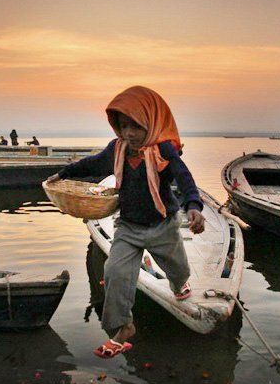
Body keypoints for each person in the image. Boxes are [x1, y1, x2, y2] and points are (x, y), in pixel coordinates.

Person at [46, 86, 205, 359]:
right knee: (115, 272)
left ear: (151, 124)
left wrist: (193, 206)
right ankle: (123, 329)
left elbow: (184, 177)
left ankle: (180, 285)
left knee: (177, 269)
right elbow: (93, 165)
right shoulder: (117, 149)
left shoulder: (163, 150)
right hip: (128, 227)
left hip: (162, 226)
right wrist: (63, 173)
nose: (129, 133)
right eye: (123, 126)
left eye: (136, 126)